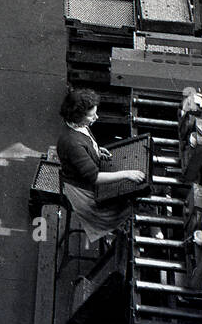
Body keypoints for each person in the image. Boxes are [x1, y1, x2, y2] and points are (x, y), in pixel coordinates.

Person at [56, 88, 144, 241]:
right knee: (125, 204)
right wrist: (127, 174)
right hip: (84, 193)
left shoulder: (78, 127)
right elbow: (94, 177)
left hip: (84, 179)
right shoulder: (72, 143)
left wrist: (96, 151)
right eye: (92, 115)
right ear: (78, 116)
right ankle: (116, 231)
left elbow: (87, 144)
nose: (96, 117)